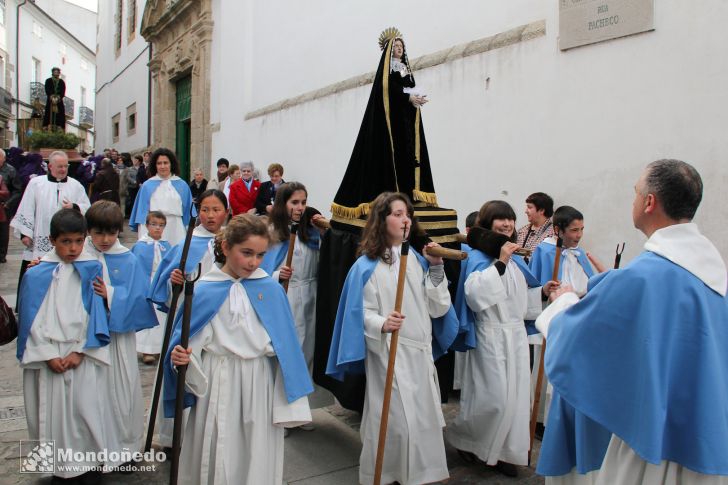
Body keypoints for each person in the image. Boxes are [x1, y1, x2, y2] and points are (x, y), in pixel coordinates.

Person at [535, 159, 728, 484]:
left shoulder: (642, 278)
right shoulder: (713, 275)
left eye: (636, 192)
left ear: (649, 202)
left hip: (650, 446)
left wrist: (563, 301)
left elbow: (579, 340)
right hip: (706, 440)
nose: (634, 200)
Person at [166, 214, 313, 484]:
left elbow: (287, 350)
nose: (254, 262)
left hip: (258, 383)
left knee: (255, 452)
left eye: (260, 255)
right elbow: (188, 345)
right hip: (215, 380)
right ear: (225, 248)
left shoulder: (270, 289)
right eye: (246, 253)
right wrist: (182, 359)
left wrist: (288, 401)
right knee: (214, 447)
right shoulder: (202, 290)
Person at [326, 192, 459, 485]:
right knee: (395, 421)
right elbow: (360, 314)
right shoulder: (366, 266)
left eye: (407, 214)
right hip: (389, 353)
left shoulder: (419, 261)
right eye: (397, 214)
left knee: (423, 420)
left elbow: (438, 308)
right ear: (381, 220)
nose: (405, 220)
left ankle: (423, 475)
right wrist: (382, 323)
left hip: (419, 355)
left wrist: (437, 268)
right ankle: (386, 474)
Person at [446, 200, 557, 478]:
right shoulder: (477, 256)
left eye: (510, 219)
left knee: (517, 399)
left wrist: (542, 291)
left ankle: (507, 452)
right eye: (500, 219)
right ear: (487, 223)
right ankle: (468, 439)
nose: (507, 224)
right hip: (490, 334)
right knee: (494, 398)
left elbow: (520, 300)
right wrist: (502, 261)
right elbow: (474, 296)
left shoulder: (516, 259)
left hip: (514, 335)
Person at [17, 208, 110, 481]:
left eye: (79, 241)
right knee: (53, 417)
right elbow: (30, 318)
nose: (73, 248)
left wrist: (81, 351)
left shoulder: (92, 268)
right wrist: (46, 354)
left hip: (80, 354)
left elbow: (96, 314)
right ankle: (58, 470)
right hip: (49, 355)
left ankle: (89, 465)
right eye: (65, 241)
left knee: (86, 413)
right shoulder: (36, 274)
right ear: (52, 240)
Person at [148, 189, 228, 449]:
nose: (210, 215)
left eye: (216, 209)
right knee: (181, 369)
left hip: (219, 322)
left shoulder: (233, 243)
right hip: (189, 318)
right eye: (205, 209)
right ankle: (175, 438)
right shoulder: (186, 243)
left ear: (226, 212)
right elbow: (168, 293)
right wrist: (175, 284)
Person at [331, 30, 439, 218]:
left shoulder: (404, 68)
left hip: (404, 120)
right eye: (396, 47)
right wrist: (407, 96)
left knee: (407, 158)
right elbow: (389, 89)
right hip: (390, 122)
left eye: (401, 47)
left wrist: (415, 96)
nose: (399, 49)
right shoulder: (388, 70)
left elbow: (408, 85)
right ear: (389, 50)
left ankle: (408, 193)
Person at [83, 201, 158, 469]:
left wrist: (111, 295)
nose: (104, 240)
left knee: (121, 391)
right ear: (88, 231)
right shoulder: (80, 256)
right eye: (98, 233)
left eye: (111, 233)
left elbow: (139, 299)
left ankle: (124, 447)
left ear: (119, 231)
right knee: (92, 393)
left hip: (118, 338)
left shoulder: (128, 258)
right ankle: (93, 449)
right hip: (88, 338)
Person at [260, 182, 323, 379]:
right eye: (294, 202)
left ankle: (303, 393)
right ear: (282, 204)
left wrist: (324, 233)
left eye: (303, 202)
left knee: (309, 344)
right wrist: (278, 275)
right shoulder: (271, 232)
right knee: (289, 342)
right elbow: (257, 273)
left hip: (311, 293)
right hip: (286, 294)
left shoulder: (310, 231)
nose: (300, 207)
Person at [11, 151, 91, 305]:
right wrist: (25, 234)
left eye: (65, 166)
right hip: (40, 236)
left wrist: (74, 206)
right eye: (59, 166)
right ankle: (32, 304)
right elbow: (27, 208)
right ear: (50, 166)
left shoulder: (75, 185)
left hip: (66, 240)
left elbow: (87, 207)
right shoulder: (36, 184)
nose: (63, 169)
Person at [129, 148, 195, 246]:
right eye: (159, 163)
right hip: (153, 226)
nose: (162, 166)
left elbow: (189, 214)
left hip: (175, 228)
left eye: (165, 163)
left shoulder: (182, 185)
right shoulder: (147, 186)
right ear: (155, 165)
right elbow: (142, 214)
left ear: (171, 164)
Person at [132, 211, 171, 365]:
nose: (157, 228)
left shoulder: (166, 245)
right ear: (147, 226)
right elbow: (134, 267)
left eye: (161, 225)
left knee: (161, 318)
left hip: (161, 285)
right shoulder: (140, 246)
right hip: (145, 284)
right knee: (147, 315)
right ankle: (146, 349)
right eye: (154, 225)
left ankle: (158, 348)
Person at [0, 149, 22, 263]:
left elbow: (17, 190)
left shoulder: (10, 170)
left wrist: (8, 203)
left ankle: (2, 255)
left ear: (3, 158)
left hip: (4, 206)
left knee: (3, 231)